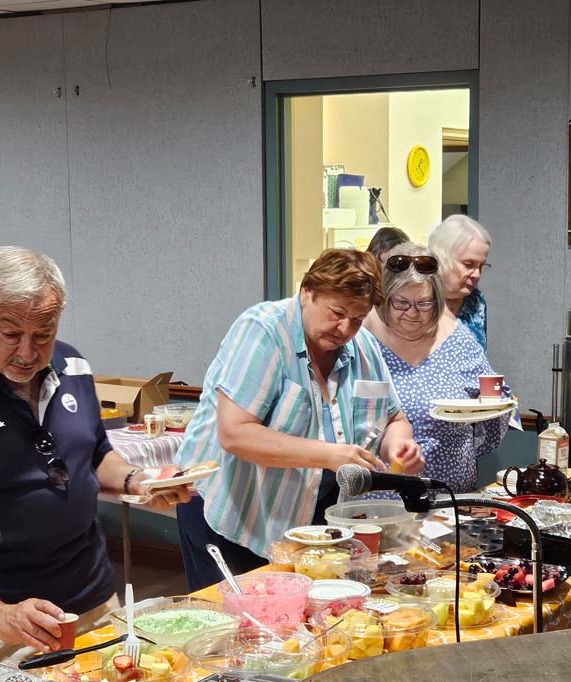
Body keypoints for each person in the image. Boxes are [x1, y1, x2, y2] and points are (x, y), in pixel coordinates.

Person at [0, 246, 193, 665]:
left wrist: (137, 481)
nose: (28, 353)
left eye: (43, 334)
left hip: (91, 604)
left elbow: (93, 454)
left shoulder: (72, 366)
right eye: (11, 334)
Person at [175, 248, 424, 590]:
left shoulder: (363, 345)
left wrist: (399, 445)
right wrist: (330, 455)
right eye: (337, 313)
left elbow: (393, 417)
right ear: (307, 291)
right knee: (237, 614)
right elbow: (235, 434)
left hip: (306, 517)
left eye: (357, 319)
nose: (345, 328)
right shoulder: (263, 330)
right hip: (234, 509)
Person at [364, 243, 509, 493]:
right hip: (379, 497)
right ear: (385, 298)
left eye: (424, 304)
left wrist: (487, 407)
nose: (412, 313)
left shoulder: (458, 339)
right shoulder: (362, 338)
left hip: (450, 495)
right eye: (401, 303)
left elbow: (496, 395)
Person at [427, 215, 492, 349]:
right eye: (469, 264)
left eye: (481, 266)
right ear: (442, 259)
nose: (477, 274)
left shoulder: (476, 301)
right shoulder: (416, 302)